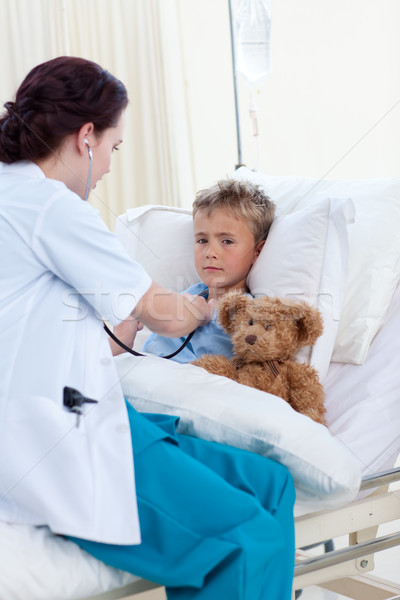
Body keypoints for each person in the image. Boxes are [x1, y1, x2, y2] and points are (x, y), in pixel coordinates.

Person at [0, 56, 295, 600]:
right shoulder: (50, 207)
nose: (110, 165)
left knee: (271, 482)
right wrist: (208, 305)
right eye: (114, 147)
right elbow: (164, 314)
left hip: (90, 406)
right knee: (246, 539)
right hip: (61, 430)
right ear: (86, 136)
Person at [143, 178, 276, 362]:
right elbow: (151, 349)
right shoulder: (188, 295)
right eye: (202, 241)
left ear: (257, 251)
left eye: (227, 241)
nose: (210, 253)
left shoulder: (247, 318)